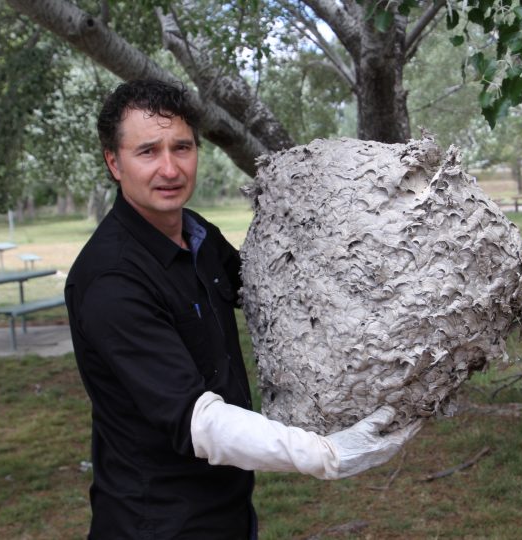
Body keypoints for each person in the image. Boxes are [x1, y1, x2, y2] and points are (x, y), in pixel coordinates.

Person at [64, 79, 422, 539]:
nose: (170, 168)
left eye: (182, 147)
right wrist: (322, 453)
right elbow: (197, 421)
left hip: (227, 508)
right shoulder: (111, 281)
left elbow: (272, 291)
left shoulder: (197, 235)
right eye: (148, 151)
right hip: (155, 522)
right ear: (114, 162)